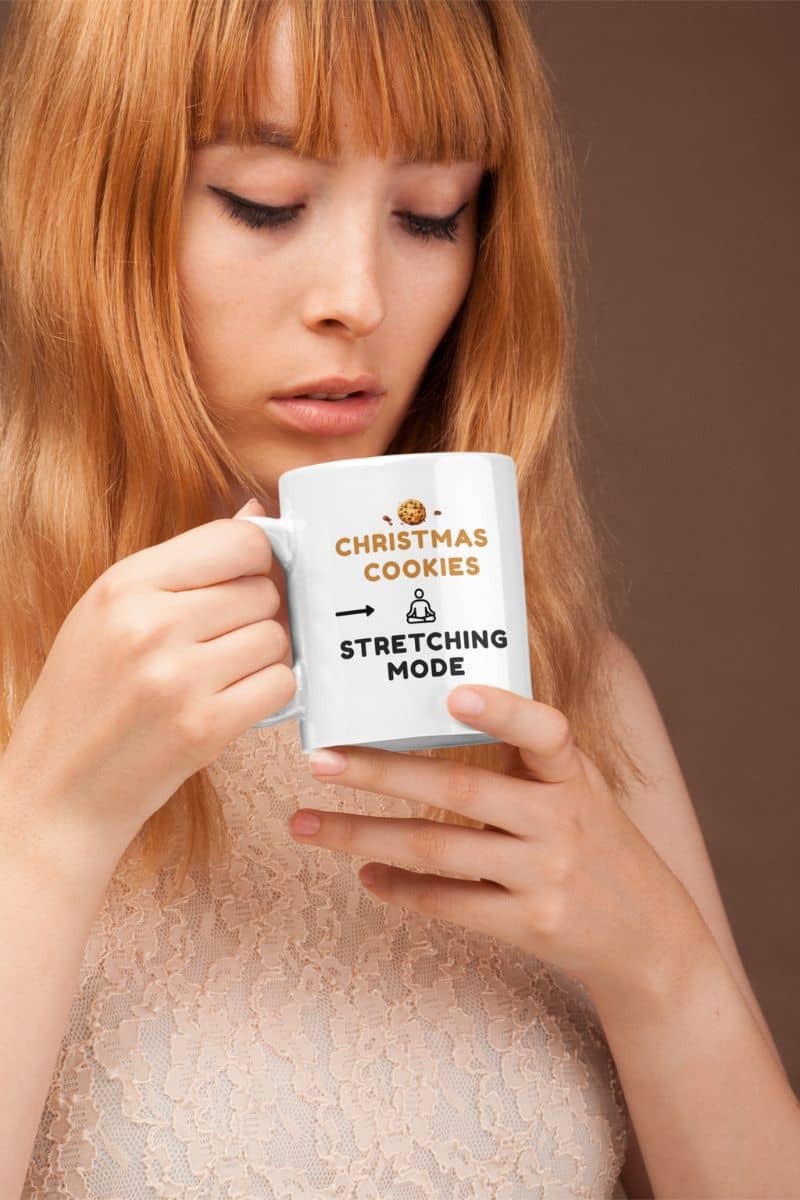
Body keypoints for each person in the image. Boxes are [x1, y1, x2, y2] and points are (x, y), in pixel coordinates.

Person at [0, 1, 797, 1197]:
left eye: (433, 213)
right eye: (263, 200)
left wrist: (663, 971)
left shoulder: (565, 684)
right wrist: (45, 837)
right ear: (87, 203)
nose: (357, 299)